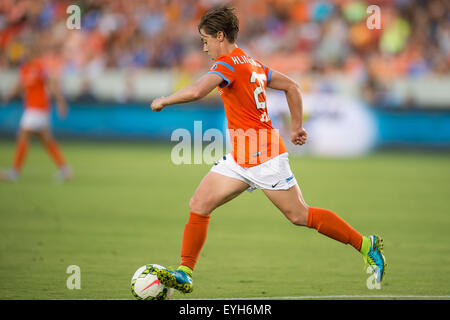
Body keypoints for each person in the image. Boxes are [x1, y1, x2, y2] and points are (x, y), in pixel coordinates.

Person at [150, 6, 386, 294]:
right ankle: (185, 272)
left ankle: (366, 245)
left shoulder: (227, 64)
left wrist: (165, 99)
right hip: (241, 157)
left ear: (220, 36)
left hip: (264, 155)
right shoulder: (252, 63)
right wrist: (296, 126)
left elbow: (199, 90)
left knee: (299, 215)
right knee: (199, 204)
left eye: (205, 40)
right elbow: (292, 86)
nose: (204, 47)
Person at [1, 44, 72, 182]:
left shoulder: (38, 67)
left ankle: (15, 172)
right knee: (46, 140)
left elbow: (51, 84)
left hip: (38, 108)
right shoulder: (24, 69)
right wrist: (7, 97)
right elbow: (19, 87)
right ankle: (65, 169)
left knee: (23, 135)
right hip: (33, 109)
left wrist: (60, 102)